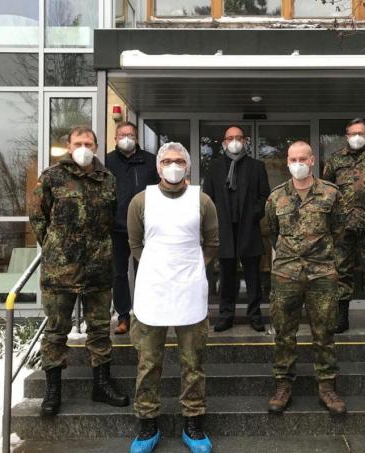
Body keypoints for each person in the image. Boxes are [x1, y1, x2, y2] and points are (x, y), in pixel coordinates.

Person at [29, 126, 129, 417]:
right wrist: (55, 246)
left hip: (98, 268)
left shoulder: (107, 179)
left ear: (96, 147)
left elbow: (109, 219)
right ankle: (53, 390)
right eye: (78, 143)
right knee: (56, 331)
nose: (84, 147)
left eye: (89, 143)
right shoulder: (52, 177)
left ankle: (101, 384)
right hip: (61, 270)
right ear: (69, 147)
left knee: (99, 329)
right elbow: (38, 217)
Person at [126, 142, 219, 453]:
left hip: (190, 291)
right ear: (158, 166)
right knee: (148, 363)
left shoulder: (202, 200)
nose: (173, 165)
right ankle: (147, 424)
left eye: (179, 161)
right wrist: (160, 267)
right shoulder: (141, 201)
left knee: (193, 363)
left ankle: (193, 422)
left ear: (188, 166)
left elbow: (212, 242)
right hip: (152, 291)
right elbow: (135, 245)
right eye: (167, 160)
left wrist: (190, 267)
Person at [265, 140, 347, 416]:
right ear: (287, 161)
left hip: (321, 273)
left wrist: (318, 255)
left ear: (313, 161)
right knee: (284, 334)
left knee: (324, 333)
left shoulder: (331, 194)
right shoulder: (276, 197)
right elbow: (273, 231)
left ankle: (327, 387)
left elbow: (338, 230)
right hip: (285, 274)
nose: (297, 163)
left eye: (302, 158)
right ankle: (283, 385)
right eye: (292, 159)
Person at [323, 118, 365, 336]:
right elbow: (328, 189)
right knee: (342, 271)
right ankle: (341, 318)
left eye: (360, 133)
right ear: (346, 135)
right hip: (342, 227)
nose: (357, 137)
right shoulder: (335, 160)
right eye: (353, 133)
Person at [203, 126, 271, 333]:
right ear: (224, 142)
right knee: (226, 276)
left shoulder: (256, 166)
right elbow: (208, 198)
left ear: (245, 141)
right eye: (230, 138)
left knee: (253, 276)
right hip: (224, 230)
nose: (234, 142)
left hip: (248, 228)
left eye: (238, 138)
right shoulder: (214, 167)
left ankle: (255, 315)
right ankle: (226, 315)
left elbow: (264, 195)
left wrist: (254, 214)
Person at [105, 121, 160, 334]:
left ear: (136, 138)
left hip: (144, 229)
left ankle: (144, 314)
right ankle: (122, 316)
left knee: (144, 273)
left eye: (130, 134)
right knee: (118, 274)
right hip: (116, 228)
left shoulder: (150, 161)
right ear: (115, 138)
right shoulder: (107, 162)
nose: (126, 138)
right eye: (122, 135)